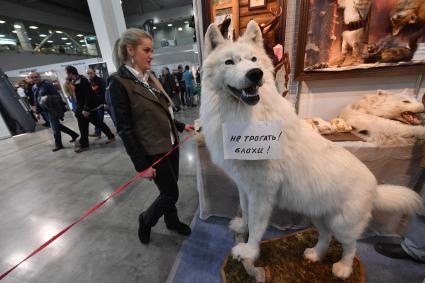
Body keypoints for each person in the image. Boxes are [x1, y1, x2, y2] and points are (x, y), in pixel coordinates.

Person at [109, 28, 194, 245]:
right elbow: (125, 128)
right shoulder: (118, 83)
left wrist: (182, 126)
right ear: (130, 50)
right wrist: (141, 165)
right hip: (153, 150)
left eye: (151, 50)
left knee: (170, 188)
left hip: (170, 143)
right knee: (170, 194)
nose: (151, 55)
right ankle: (145, 220)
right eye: (146, 50)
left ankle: (172, 221)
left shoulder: (148, 78)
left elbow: (159, 113)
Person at [65, 66, 115, 153]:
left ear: (70, 73)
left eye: (67, 73)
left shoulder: (82, 80)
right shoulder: (75, 81)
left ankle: (110, 136)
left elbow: (88, 95)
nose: (88, 74)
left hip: (87, 109)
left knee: (97, 123)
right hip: (81, 108)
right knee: (84, 127)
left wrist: (86, 108)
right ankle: (84, 144)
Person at [29, 72, 79, 151]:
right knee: (57, 125)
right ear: (30, 79)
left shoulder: (47, 85)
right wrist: (38, 112)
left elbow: (56, 96)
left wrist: (47, 100)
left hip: (51, 110)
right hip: (43, 111)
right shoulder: (34, 87)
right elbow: (36, 100)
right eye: (32, 77)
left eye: (36, 76)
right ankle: (74, 134)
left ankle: (58, 145)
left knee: (54, 128)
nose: (34, 78)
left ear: (39, 77)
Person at [86, 67, 107, 138]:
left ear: (94, 72)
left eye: (91, 73)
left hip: (103, 103)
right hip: (97, 104)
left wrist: (105, 103)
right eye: (88, 73)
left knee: (114, 117)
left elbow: (105, 92)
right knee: (99, 119)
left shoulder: (100, 80)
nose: (89, 75)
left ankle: (118, 129)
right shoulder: (89, 82)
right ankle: (97, 132)